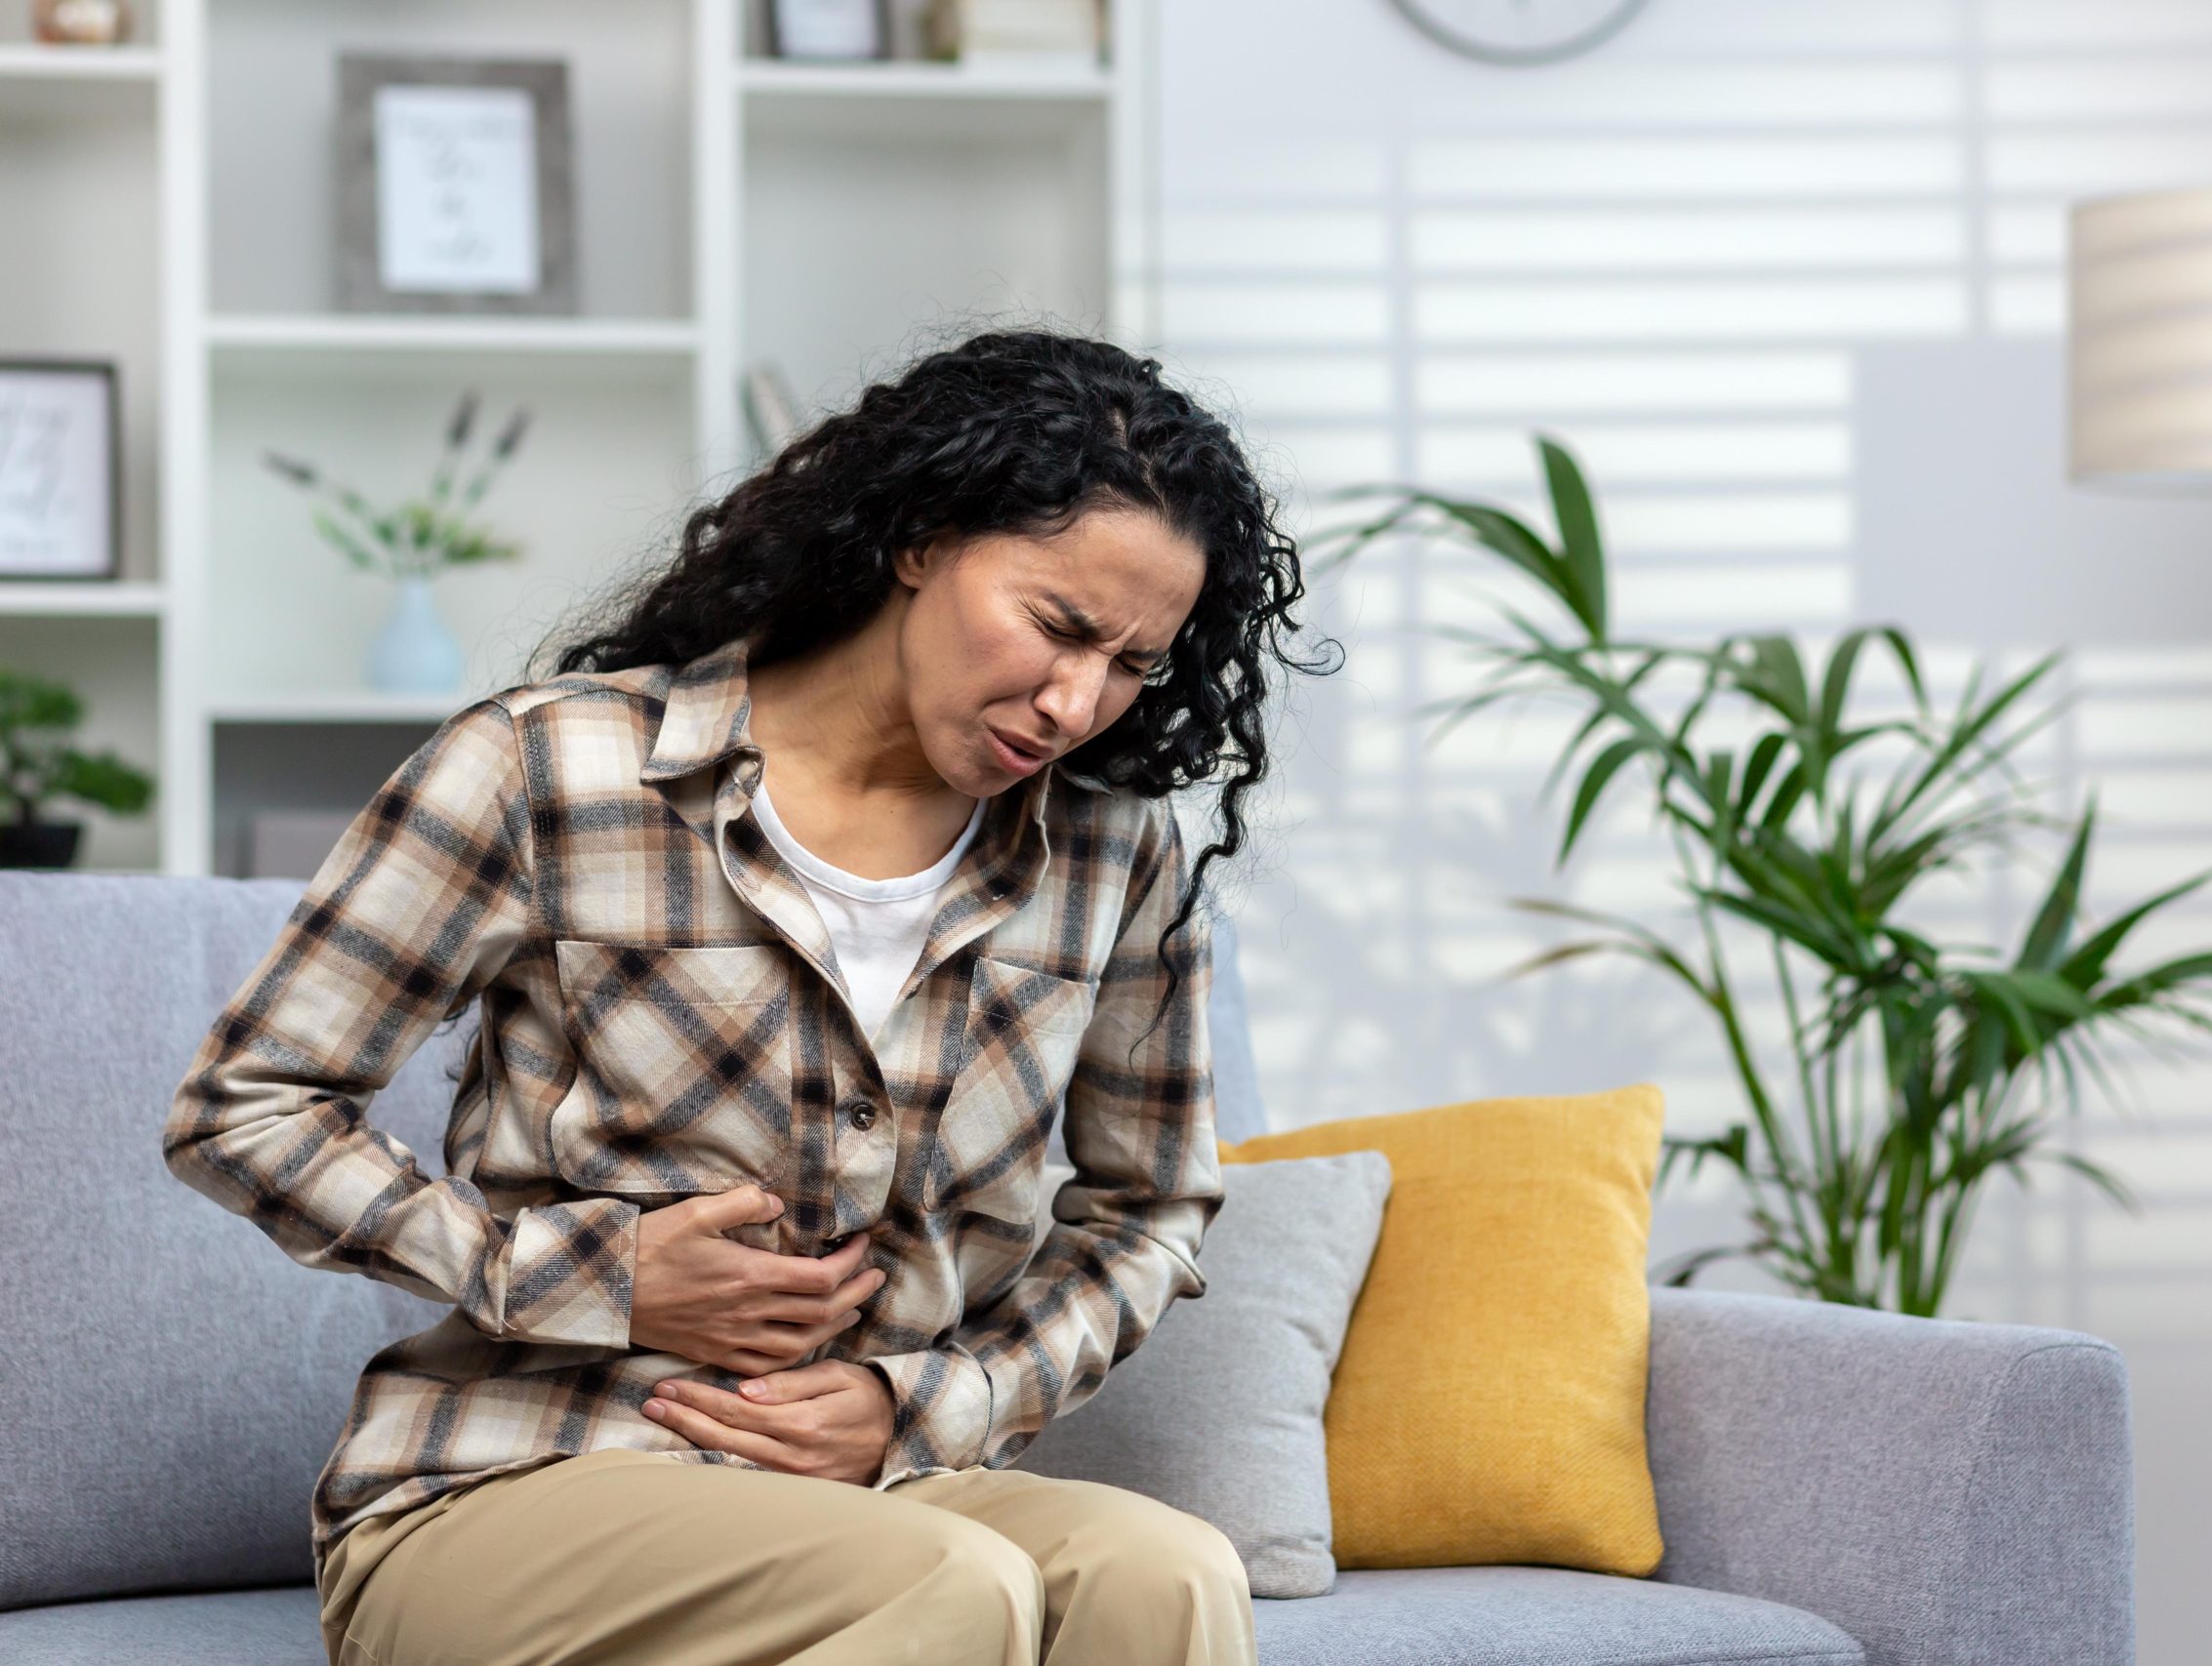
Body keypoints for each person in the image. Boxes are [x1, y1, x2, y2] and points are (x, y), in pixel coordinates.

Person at [160, 326, 1340, 1666]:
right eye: (1057, 624)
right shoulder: (548, 768)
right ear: (919, 539)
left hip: (879, 1487)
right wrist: (588, 1278)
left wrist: (930, 1405)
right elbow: (245, 1109)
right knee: (943, 1585)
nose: (1078, 700)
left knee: (1170, 1575)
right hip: (520, 1476)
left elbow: (1151, 1211)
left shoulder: (1114, 859)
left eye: (1132, 664)